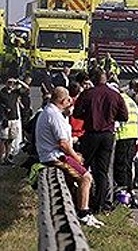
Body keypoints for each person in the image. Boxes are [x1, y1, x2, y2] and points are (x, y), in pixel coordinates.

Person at [36, 87, 104, 228]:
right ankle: (84, 213)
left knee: (73, 181)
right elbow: (63, 143)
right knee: (85, 177)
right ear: (63, 100)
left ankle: (77, 209)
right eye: (69, 101)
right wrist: (75, 157)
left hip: (51, 154)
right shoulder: (54, 115)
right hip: (55, 157)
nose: (70, 103)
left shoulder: (50, 112)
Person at [73, 68, 129, 214]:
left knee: (83, 167)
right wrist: (109, 117)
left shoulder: (87, 94)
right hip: (107, 135)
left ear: (93, 79)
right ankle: (99, 205)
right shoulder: (115, 95)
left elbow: (77, 113)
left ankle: (81, 200)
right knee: (102, 172)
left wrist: (89, 116)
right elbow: (124, 116)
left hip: (91, 134)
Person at [113, 89, 138, 194]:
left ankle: (122, 192)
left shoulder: (118, 101)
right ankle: (129, 190)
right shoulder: (131, 101)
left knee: (120, 166)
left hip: (122, 136)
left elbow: (117, 121)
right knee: (129, 166)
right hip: (133, 136)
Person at [0, 78, 23, 165]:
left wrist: (19, 81)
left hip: (14, 119)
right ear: (6, 83)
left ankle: (7, 158)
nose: (11, 84)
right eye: (9, 82)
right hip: (5, 119)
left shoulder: (15, 93)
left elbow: (27, 88)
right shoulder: (2, 93)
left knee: (10, 140)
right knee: (3, 139)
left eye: (12, 83)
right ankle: (1, 158)